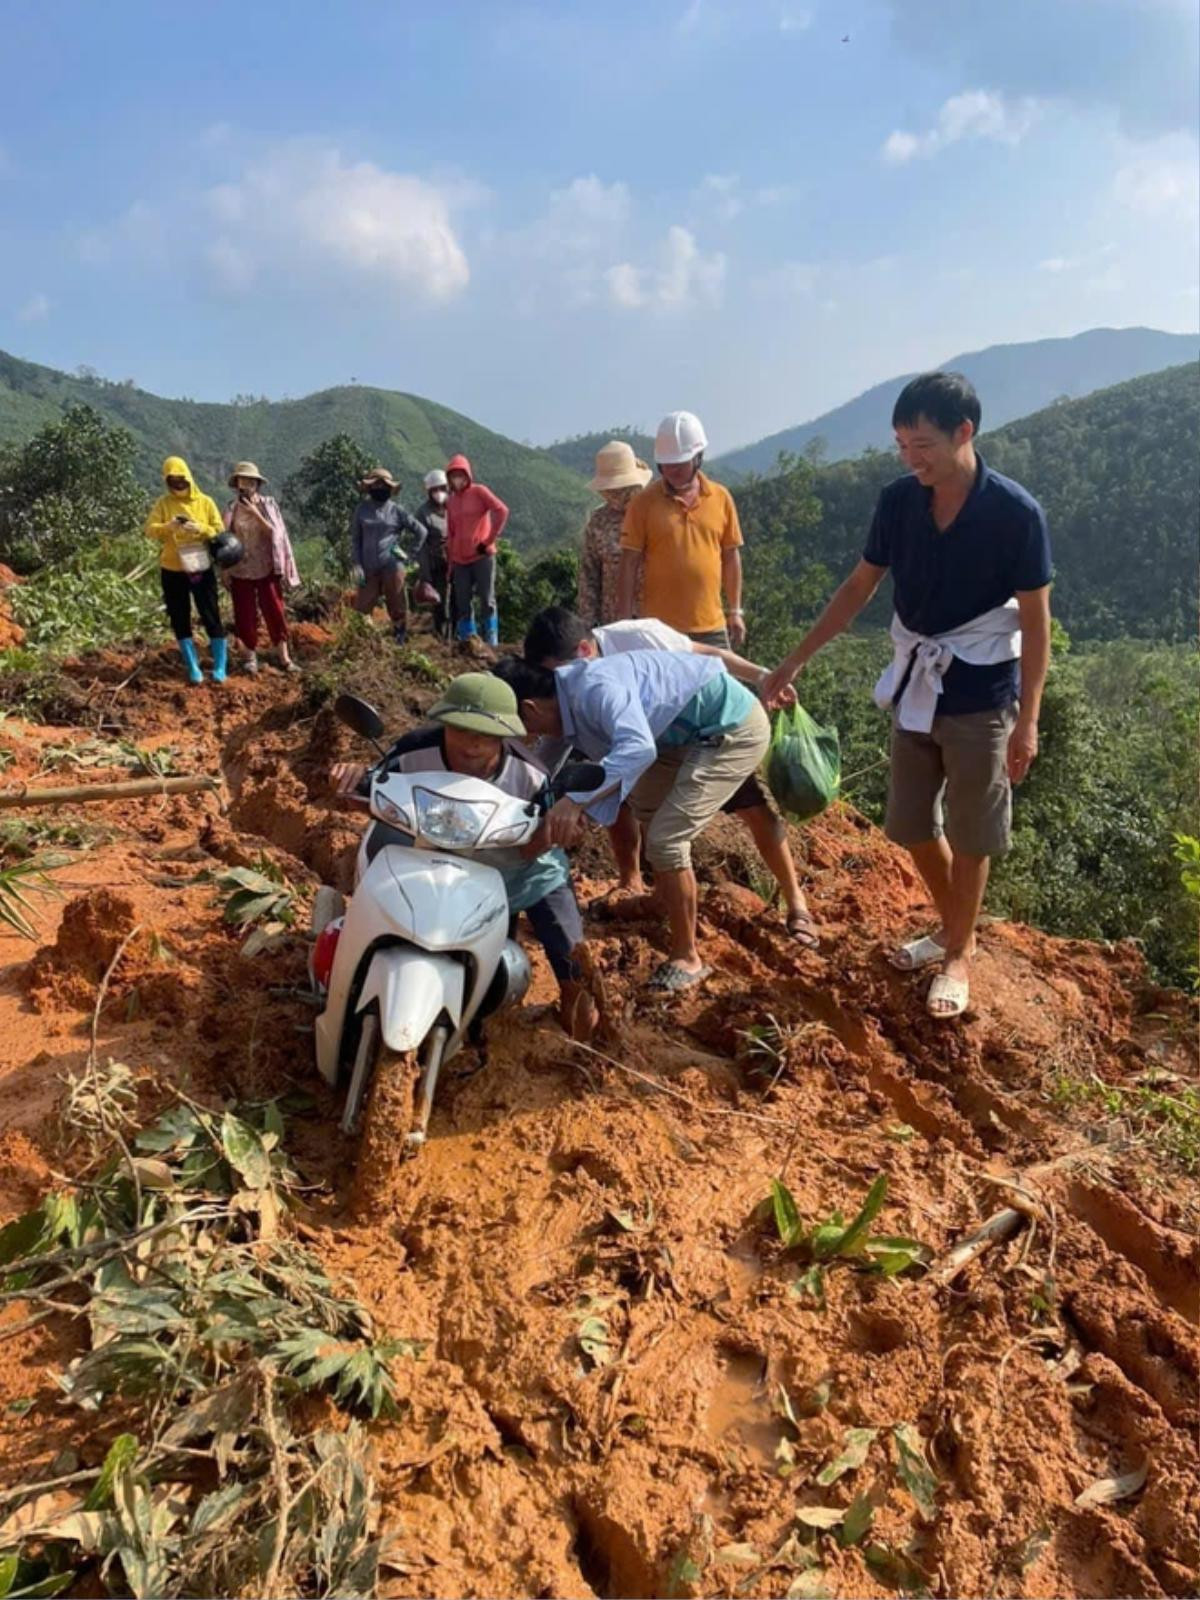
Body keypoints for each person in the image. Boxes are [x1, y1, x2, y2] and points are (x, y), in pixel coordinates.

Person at [762, 371, 1052, 1020]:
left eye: (922, 444)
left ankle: (955, 955)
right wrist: (793, 661)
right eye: (901, 445)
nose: (910, 458)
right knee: (911, 823)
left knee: (974, 831)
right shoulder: (899, 502)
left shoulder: (1014, 514)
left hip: (981, 692)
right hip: (918, 684)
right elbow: (859, 586)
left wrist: (1028, 721)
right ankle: (958, 928)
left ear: (964, 433)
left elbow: (1036, 624)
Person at [523, 606, 817, 946]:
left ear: (585, 651)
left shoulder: (637, 637)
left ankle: (795, 903)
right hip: (659, 741)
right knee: (640, 802)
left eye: (553, 677)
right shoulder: (576, 687)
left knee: (742, 808)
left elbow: (709, 655)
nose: (552, 688)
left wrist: (764, 677)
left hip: (714, 721)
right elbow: (559, 740)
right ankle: (660, 895)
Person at [331, 673, 595, 1040]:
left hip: (513, 867)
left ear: (507, 736)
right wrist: (353, 779)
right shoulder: (412, 752)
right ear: (443, 724)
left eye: (486, 735)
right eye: (460, 730)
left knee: (573, 961)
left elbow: (533, 846)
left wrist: (556, 832)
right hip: (427, 858)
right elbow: (374, 796)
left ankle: (581, 1031)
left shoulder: (531, 776)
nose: (471, 746)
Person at [494, 649, 770, 993]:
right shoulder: (562, 703)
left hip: (730, 727)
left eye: (511, 726)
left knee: (667, 839)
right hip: (673, 738)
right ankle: (661, 902)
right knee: (649, 815)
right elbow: (541, 769)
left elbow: (637, 750)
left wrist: (575, 803)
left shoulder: (594, 690)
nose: (516, 737)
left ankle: (688, 957)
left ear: (530, 709)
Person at [617, 410, 745, 648]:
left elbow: (730, 556)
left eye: (679, 464)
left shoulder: (721, 498)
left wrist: (735, 611)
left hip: (712, 629)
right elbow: (629, 563)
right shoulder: (643, 504)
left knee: (718, 685)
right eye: (666, 465)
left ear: (698, 457)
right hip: (660, 631)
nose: (672, 471)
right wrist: (623, 623)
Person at [145, 455, 228, 685]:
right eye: (172, 481)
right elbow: (150, 530)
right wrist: (168, 527)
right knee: (179, 616)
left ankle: (220, 666)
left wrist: (200, 529)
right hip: (172, 568)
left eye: (181, 479)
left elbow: (219, 530)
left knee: (210, 612)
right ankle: (192, 666)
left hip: (199, 566)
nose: (177, 484)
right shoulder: (163, 504)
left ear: (189, 478)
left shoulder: (205, 502)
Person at [222, 461, 300, 675]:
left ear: (257, 484)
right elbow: (226, 539)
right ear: (236, 484)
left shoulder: (268, 505)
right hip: (241, 568)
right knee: (244, 613)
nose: (245, 485)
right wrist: (225, 570)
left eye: (250, 481)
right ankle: (249, 658)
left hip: (266, 566)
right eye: (241, 481)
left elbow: (276, 534)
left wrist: (255, 513)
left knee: (274, 611)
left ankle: (284, 658)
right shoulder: (231, 508)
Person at [576, 440, 651, 627]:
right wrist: (589, 624)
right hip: (613, 624)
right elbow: (589, 575)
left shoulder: (655, 512)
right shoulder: (599, 521)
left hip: (656, 620)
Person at [349, 468, 429, 644]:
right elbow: (356, 539)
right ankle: (366, 643)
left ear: (390, 488)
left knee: (397, 604)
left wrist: (410, 555)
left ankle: (399, 639)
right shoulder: (361, 510)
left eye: (383, 485)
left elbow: (421, 531)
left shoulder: (397, 511)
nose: (380, 488)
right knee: (362, 609)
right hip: (367, 568)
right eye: (376, 484)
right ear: (369, 488)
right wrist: (356, 564)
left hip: (392, 566)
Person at [445, 454, 508, 647]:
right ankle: (470, 642)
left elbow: (502, 511)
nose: (457, 479)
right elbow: (451, 533)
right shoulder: (451, 501)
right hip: (460, 560)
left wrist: (488, 540)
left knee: (487, 599)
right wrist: (450, 565)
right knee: (463, 602)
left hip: (482, 556)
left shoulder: (479, 492)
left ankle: (492, 640)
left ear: (467, 475)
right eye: (453, 475)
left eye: (460, 475)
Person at [415, 469, 452, 639]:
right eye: (435, 490)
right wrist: (425, 575)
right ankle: (441, 638)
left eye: (442, 488)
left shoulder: (453, 507)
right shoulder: (423, 513)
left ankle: (460, 637)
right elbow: (421, 545)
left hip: (456, 562)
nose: (439, 493)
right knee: (441, 604)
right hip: (437, 565)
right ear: (429, 492)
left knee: (460, 603)